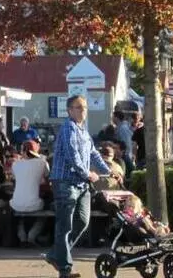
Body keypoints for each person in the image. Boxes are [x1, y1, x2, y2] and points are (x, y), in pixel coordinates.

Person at [45, 95, 119, 278]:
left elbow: (94, 153)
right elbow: (72, 157)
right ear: (70, 110)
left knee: (83, 221)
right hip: (65, 182)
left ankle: (56, 254)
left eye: (85, 107)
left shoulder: (83, 130)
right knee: (65, 226)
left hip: (81, 184)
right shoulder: (68, 128)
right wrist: (88, 174)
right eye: (79, 107)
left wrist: (108, 170)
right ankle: (65, 269)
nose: (83, 110)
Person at [11, 140, 50, 246]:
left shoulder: (15, 164)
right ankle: (32, 236)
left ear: (23, 151)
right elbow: (46, 177)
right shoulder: (43, 163)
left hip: (16, 204)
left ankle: (22, 236)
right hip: (35, 204)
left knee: (20, 214)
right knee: (47, 210)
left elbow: (15, 178)